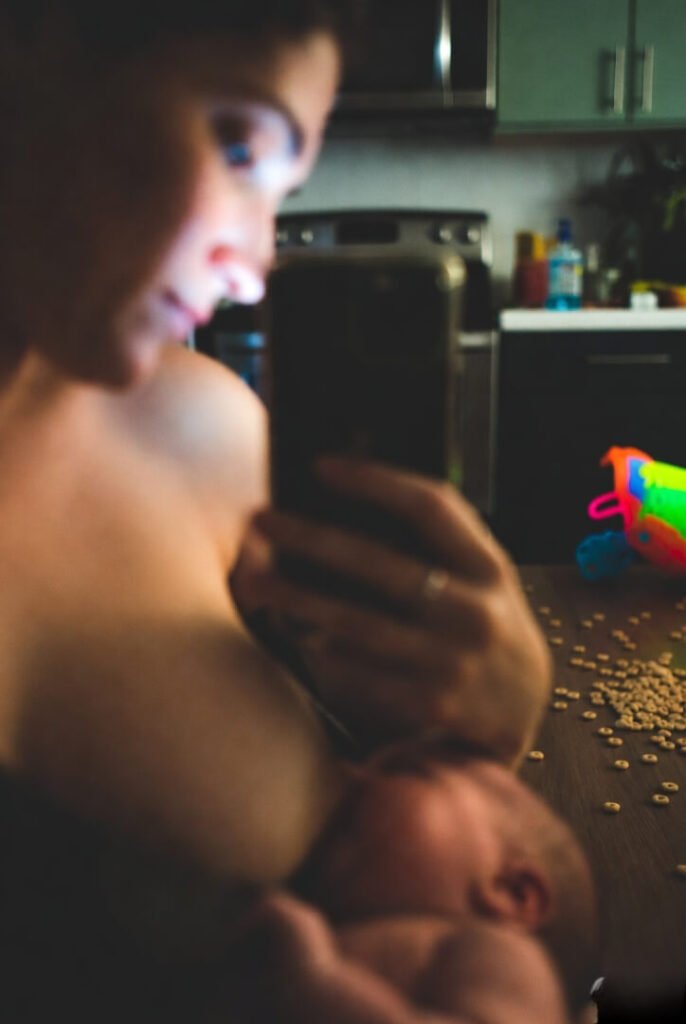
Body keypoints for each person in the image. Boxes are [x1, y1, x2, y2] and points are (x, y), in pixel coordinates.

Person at [0, 0, 553, 1018]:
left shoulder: (204, 433)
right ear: (29, 40)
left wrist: (468, 755)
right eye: (239, 142)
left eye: (283, 184)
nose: (252, 264)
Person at [224, 741, 598, 1024]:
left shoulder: (507, 956)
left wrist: (315, 983)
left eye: (412, 772)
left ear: (512, 893)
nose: (353, 776)